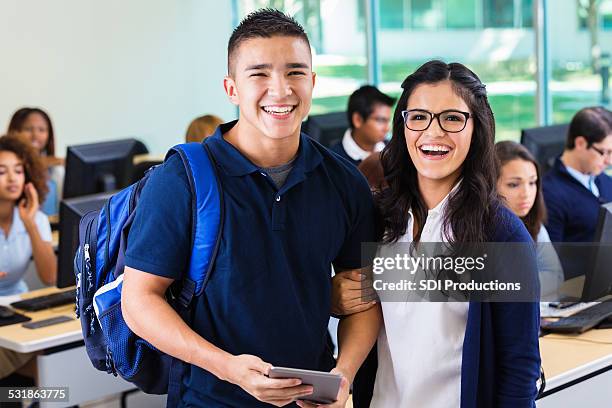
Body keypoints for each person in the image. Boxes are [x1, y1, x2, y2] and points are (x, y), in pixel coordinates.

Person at [121, 9, 381, 408]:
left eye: (295, 72)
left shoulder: (344, 182)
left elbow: (362, 299)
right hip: (208, 397)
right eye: (259, 74)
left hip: (310, 399)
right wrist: (228, 368)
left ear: (312, 82)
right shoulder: (181, 180)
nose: (280, 90)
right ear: (231, 89)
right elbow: (139, 301)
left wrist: (343, 374)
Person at [336, 60, 541, 408]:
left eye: (452, 118)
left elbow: (519, 368)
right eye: (418, 117)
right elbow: (356, 306)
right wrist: (334, 297)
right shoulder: (377, 219)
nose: (433, 132)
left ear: (477, 128)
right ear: (402, 127)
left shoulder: (502, 234)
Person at [0, 134, 57, 380]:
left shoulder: (36, 218)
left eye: (18, 170)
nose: (12, 178)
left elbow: (49, 276)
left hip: (16, 309)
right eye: (2, 171)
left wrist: (30, 224)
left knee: (52, 360)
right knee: (47, 372)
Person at [495, 141, 564, 299]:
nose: (526, 193)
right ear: (490, 186)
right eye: (514, 185)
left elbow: (556, 278)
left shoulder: (534, 225)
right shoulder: (473, 230)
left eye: (532, 182)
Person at [543, 106, 612, 243]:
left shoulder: (605, 181)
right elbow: (551, 260)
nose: (609, 161)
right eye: (605, 152)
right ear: (580, 143)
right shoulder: (549, 195)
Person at [7, 107, 64, 216]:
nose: (35, 136)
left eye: (42, 130)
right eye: (28, 129)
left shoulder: (56, 169)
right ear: (14, 132)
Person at [330, 85, 394, 166]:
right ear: (358, 120)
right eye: (381, 121)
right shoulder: (333, 161)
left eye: (388, 121)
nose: (387, 128)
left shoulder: (392, 151)